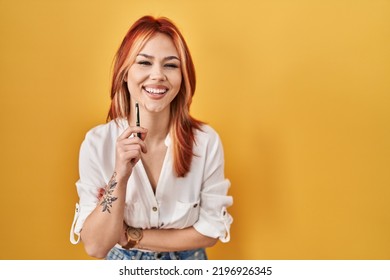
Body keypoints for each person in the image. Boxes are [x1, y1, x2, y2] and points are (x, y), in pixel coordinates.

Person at [70, 15, 233, 260]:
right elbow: (96, 246)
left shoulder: (206, 142)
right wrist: (120, 175)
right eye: (144, 63)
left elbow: (209, 232)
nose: (157, 75)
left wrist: (129, 236)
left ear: (183, 77)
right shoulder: (97, 144)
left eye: (170, 65)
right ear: (125, 73)